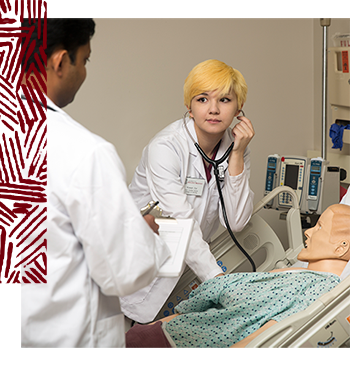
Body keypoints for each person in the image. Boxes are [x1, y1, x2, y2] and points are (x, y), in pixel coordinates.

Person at [20, 18, 170, 348]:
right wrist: (142, 232)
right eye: (84, 60)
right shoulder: (85, 153)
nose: (84, 72)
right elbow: (126, 273)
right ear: (61, 61)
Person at [121, 59, 255, 323]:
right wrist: (217, 281)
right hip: (132, 263)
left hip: (179, 269)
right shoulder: (166, 148)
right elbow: (183, 222)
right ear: (189, 107)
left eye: (225, 100)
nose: (214, 109)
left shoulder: (236, 148)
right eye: (203, 99)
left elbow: (237, 222)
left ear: (239, 108)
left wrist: (237, 154)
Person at [125, 204, 350, 348]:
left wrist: (216, 288)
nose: (308, 231)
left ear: (341, 247)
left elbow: (263, 335)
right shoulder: (304, 277)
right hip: (170, 331)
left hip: (175, 340)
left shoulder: (315, 288)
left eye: (319, 227)